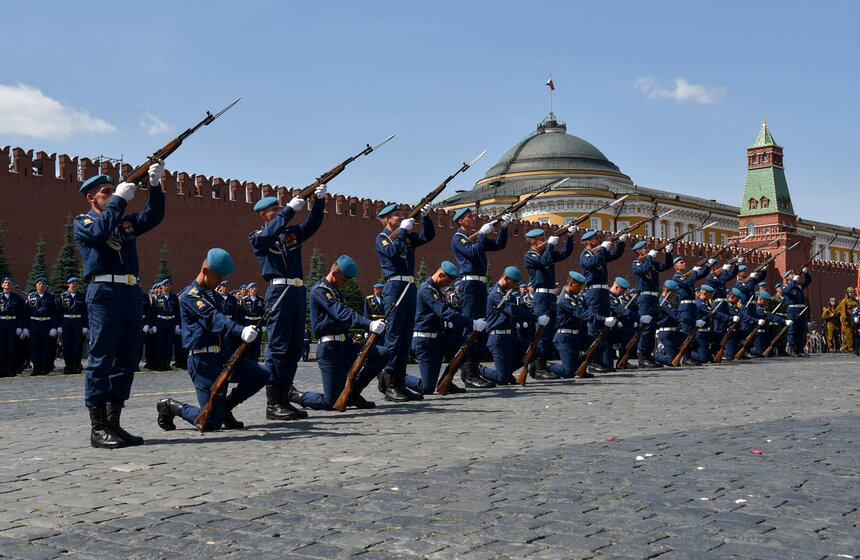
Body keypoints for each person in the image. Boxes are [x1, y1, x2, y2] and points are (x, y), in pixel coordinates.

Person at [74, 162, 165, 448]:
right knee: (101, 359)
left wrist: (155, 185)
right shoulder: (84, 222)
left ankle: (114, 423)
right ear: (92, 198)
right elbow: (100, 233)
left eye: (113, 190)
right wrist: (120, 201)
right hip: (104, 292)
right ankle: (98, 427)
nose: (111, 195)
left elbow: (154, 216)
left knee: (126, 360)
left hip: (129, 292)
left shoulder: (123, 222)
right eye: (106, 192)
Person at [156, 249, 268, 432]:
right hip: (203, 362)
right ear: (206, 271)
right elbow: (213, 318)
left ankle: (225, 409)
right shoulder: (190, 296)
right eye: (218, 277)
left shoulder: (214, 296)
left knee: (261, 375)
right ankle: (170, 406)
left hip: (222, 357)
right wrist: (240, 330)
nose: (220, 282)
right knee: (209, 422)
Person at [250, 185, 326, 420]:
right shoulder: (259, 237)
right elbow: (269, 233)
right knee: (279, 346)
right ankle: (273, 403)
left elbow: (312, 225)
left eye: (280, 208)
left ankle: (284, 398)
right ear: (264, 215)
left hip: (296, 291)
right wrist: (291, 209)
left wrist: (319, 201)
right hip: (279, 291)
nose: (279, 211)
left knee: (293, 348)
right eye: (275, 209)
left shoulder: (290, 234)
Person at [289, 255, 387, 410]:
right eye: (344, 280)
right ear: (334, 274)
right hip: (330, 350)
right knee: (332, 402)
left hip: (345, 346)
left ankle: (353, 392)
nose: (346, 284)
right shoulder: (320, 291)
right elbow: (341, 312)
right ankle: (295, 395)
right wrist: (369, 323)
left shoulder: (336, 292)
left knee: (383, 353)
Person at [375, 202, 434, 402]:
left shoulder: (406, 236)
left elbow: (428, 236)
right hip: (394, 288)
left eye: (401, 214)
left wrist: (426, 218)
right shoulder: (382, 238)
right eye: (396, 215)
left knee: (406, 337)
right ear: (385, 219)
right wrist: (402, 232)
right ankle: (390, 382)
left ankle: (399, 382)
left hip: (409, 287)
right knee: (394, 337)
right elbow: (392, 253)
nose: (401, 216)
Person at [451, 207, 512, 388]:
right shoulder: (458, 238)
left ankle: (474, 368)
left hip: (479, 284)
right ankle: (468, 371)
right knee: (471, 327)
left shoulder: (475, 238)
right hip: (469, 285)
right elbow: (474, 252)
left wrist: (504, 227)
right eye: (469, 217)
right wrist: (483, 234)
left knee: (481, 327)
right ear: (461, 221)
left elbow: (499, 245)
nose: (474, 219)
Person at [406, 261, 484, 395]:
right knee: (427, 388)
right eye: (447, 282)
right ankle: (392, 376)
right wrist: (472, 323)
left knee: (470, 344)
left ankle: (446, 380)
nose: (448, 285)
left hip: (438, 340)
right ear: (441, 275)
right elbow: (444, 312)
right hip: (425, 342)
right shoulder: (426, 290)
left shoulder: (436, 290)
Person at [484, 266, 553, 384]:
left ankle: (506, 371)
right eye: (514, 283)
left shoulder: (506, 293)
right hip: (497, 338)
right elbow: (512, 310)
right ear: (506, 278)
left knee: (534, 351)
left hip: (509, 338)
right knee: (502, 379)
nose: (515, 286)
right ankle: (478, 370)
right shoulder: (496, 293)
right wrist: (536, 318)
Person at [524, 225, 576, 378]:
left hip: (551, 296)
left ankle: (542, 365)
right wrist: (551, 245)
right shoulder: (530, 255)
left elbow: (565, 253)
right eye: (542, 239)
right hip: (541, 297)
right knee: (542, 333)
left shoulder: (546, 253)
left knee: (549, 331)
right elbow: (544, 261)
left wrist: (570, 238)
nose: (545, 240)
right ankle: (538, 366)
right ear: (534, 242)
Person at [580, 229, 627, 373]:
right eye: (595, 239)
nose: (598, 239)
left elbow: (614, 255)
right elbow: (593, 263)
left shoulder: (598, 253)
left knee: (604, 326)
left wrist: (620, 243)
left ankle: (603, 360)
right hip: (593, 291)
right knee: (595, 326)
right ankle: (593, 361)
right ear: (588, 242)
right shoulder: (585, 254)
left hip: (602, 291)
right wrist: (603, 249)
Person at [555, 271, 607, 378]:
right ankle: (545, 366)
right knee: (568, 373)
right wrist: (603, 319)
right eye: (579, 286)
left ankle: (578, 366)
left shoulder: (574, 298)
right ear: (571, 284)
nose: (581, 289)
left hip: (577, 336)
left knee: (600, 345)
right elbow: (581, 313)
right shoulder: (565, 299)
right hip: (566, 338)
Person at [631, 240, 673, 368]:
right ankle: (642, 356)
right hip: (645, 297)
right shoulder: (636, 263)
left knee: (653, 326)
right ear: (639, 251)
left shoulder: (652, 263)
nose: (648, 249)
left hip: (654, 297)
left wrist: (668, 253)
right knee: (646, 328)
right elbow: (644, 270)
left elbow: (666, 266)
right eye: (645, 248)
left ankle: (649, 354)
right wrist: (649, 257)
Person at [671, 255, 714, 365]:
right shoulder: (676, 277)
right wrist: (694, 271)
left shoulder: (685, 276)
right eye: (681, 263)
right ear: (676, 267)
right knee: (687, 333)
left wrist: (708, 266)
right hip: (685, 307)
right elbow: (688, 283)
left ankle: (689, 356)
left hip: (691, 307)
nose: (684, 264)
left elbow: (701, 275)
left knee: (692, 333)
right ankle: (686, 358)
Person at [26, 277, 58, 375]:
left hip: (47, 324)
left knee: (46, 346)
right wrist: (25, 327)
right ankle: (36, 367)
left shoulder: (50, 297)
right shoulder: (31, 297)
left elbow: (55, 313)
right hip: (34, 324)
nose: (41, 285)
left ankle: (45, 367)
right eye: (39, 283)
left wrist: (54, 327)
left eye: (43, 284)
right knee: (35, 346)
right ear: (36, 285)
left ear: (46, 286)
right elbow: (26, 313)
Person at [58, 277, 88, 374]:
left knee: (77, 346)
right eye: (72, 283)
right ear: (68, 285)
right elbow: (58, 312)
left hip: (78, 322)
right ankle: (68, 366)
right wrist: (59, 326)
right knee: (66, 346)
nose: (74, 285)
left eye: (76, 283)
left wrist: (85, 326)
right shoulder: (62, 297)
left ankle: (77, 365)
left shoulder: (82, 296)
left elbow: (85, 312)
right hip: (66, 323)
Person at [780, 268, 812, 356]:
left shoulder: (798, 286)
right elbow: (787, 291)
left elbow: (808, 281)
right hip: (792, 310)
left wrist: (806, 273)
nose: (793, 275)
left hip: (801, 309)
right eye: (791, 274)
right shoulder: (785, 286)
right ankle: (792, 349)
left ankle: (800, 349)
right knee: (792, 329)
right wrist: (793, 281)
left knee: (801, 330)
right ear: (787, 278)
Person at [652, 280, 683, 367]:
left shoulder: (668, 302)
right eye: (674, 292)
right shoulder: (662, 302)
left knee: (691, 341)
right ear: (667, 291)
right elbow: (675, 314)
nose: (675, 294)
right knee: (671, 361)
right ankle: (652, 356)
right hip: (666, 333)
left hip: (673, 333)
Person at [0, 277, 26, 377]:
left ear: (12, 286)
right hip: (1, 324)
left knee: (12, 347)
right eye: (5, 283)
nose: (7, 284)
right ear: (2, 285)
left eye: (9, 283)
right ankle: (2, 369)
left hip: (13, 324)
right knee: (1, 348)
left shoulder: (17, 298)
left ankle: (11, 369)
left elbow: (21, 314)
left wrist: (20, 327)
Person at [153, 278, 179, 370]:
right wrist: (153, 325)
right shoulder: (157, 298)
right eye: (165, 286)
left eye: (169, 285)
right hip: (160, 322)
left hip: (171, 322)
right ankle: (161, 364)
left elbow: (177, 312)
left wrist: (177, 325)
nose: (167, 287)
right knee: (160, 344)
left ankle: (167, 364)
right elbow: (153, 312)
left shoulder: (174, 298)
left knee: (169, 344)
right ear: (162, 287)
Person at [239, 282, 265, 363]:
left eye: (255, 288)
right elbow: (240, 314)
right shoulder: (243, 300)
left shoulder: (261, 300)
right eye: (252, 288)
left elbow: (264, 313)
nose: (254, 290)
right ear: (248, 290)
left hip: (257, 323)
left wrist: (264, 325)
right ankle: (247, 361)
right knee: (247, 343)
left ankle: (255, 361)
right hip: (247, 323)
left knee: (257, 344)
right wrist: (242, 326)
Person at [837, 287, 858, 352]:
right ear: (847, 293)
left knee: (854, 333)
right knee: (849, 333)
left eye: (853, 292)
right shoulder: (844, 301)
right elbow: (843, 311)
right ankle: (851, 348)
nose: (852, 293)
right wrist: (844, 320)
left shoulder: (855, 301)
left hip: (855, 318)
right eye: (850, 292)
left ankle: (846, 348)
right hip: (848, 319)